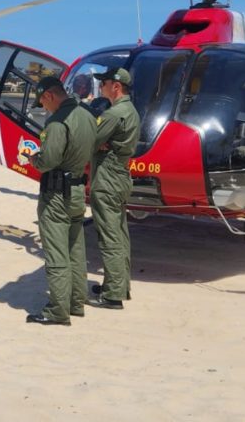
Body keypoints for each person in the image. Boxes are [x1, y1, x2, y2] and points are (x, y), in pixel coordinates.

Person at [23, 77, 96, 326]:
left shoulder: (56, 122)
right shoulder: (86, 115)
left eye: (42, 102)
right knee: (76, 249)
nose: (44, 108)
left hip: (56, 194)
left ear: (49, 96)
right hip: (77, 190)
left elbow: (48, 161)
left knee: (56, 253)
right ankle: (76, 302)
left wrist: (33, 158)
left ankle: (58, 310)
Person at [88, 67, 141, 310]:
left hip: (108, 177)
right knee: (119, 233)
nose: (101, 87)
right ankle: (118, 284)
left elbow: (90, 140)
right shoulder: (130, 111)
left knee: (109, 235)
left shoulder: (114, 113)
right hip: (120, 175)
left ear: (116, 86)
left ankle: (113, 294)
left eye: (104, 83)